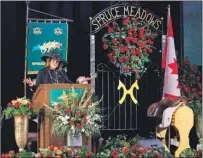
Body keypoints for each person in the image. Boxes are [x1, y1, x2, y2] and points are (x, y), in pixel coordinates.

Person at [24, 49, 90, 91]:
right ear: (49, 61)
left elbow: (69, 84)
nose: (56, 63)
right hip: (46, 101)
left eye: (57, 61)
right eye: (54, 60)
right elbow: (38, 89)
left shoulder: (61, 72)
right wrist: (32, 85)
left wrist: (79, 83)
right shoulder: (42, 72)